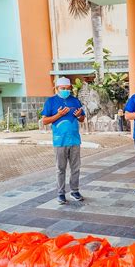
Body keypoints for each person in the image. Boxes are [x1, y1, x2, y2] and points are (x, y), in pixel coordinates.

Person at [42, 77, 86, 205]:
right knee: (60, 169)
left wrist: (79, 115)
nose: (66, 91)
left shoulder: (75, 101)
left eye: (67, 89)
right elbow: (45, 120)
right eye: (63, 89)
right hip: (59, 141)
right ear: (57, 88)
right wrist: (59, 115)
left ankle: (75, 191)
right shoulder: (51, 102)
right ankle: (61, 193)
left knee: (76, 168)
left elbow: (82, 118)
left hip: (74, 140)